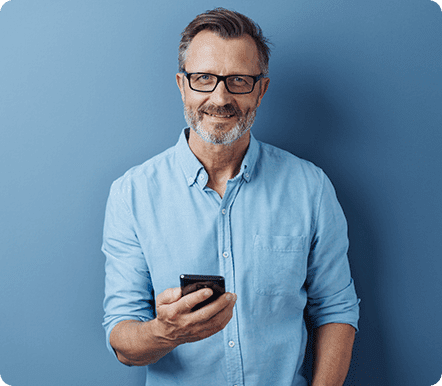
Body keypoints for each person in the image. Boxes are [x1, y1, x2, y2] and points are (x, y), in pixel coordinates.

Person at [102, 7, 360, 386]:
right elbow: (123, 341)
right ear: (181, 84)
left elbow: (336, 309)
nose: (220, 97)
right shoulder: (132, 193)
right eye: (203, 78)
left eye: (238, 80)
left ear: (261, 89)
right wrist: (166, 331)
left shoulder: (310, 187)